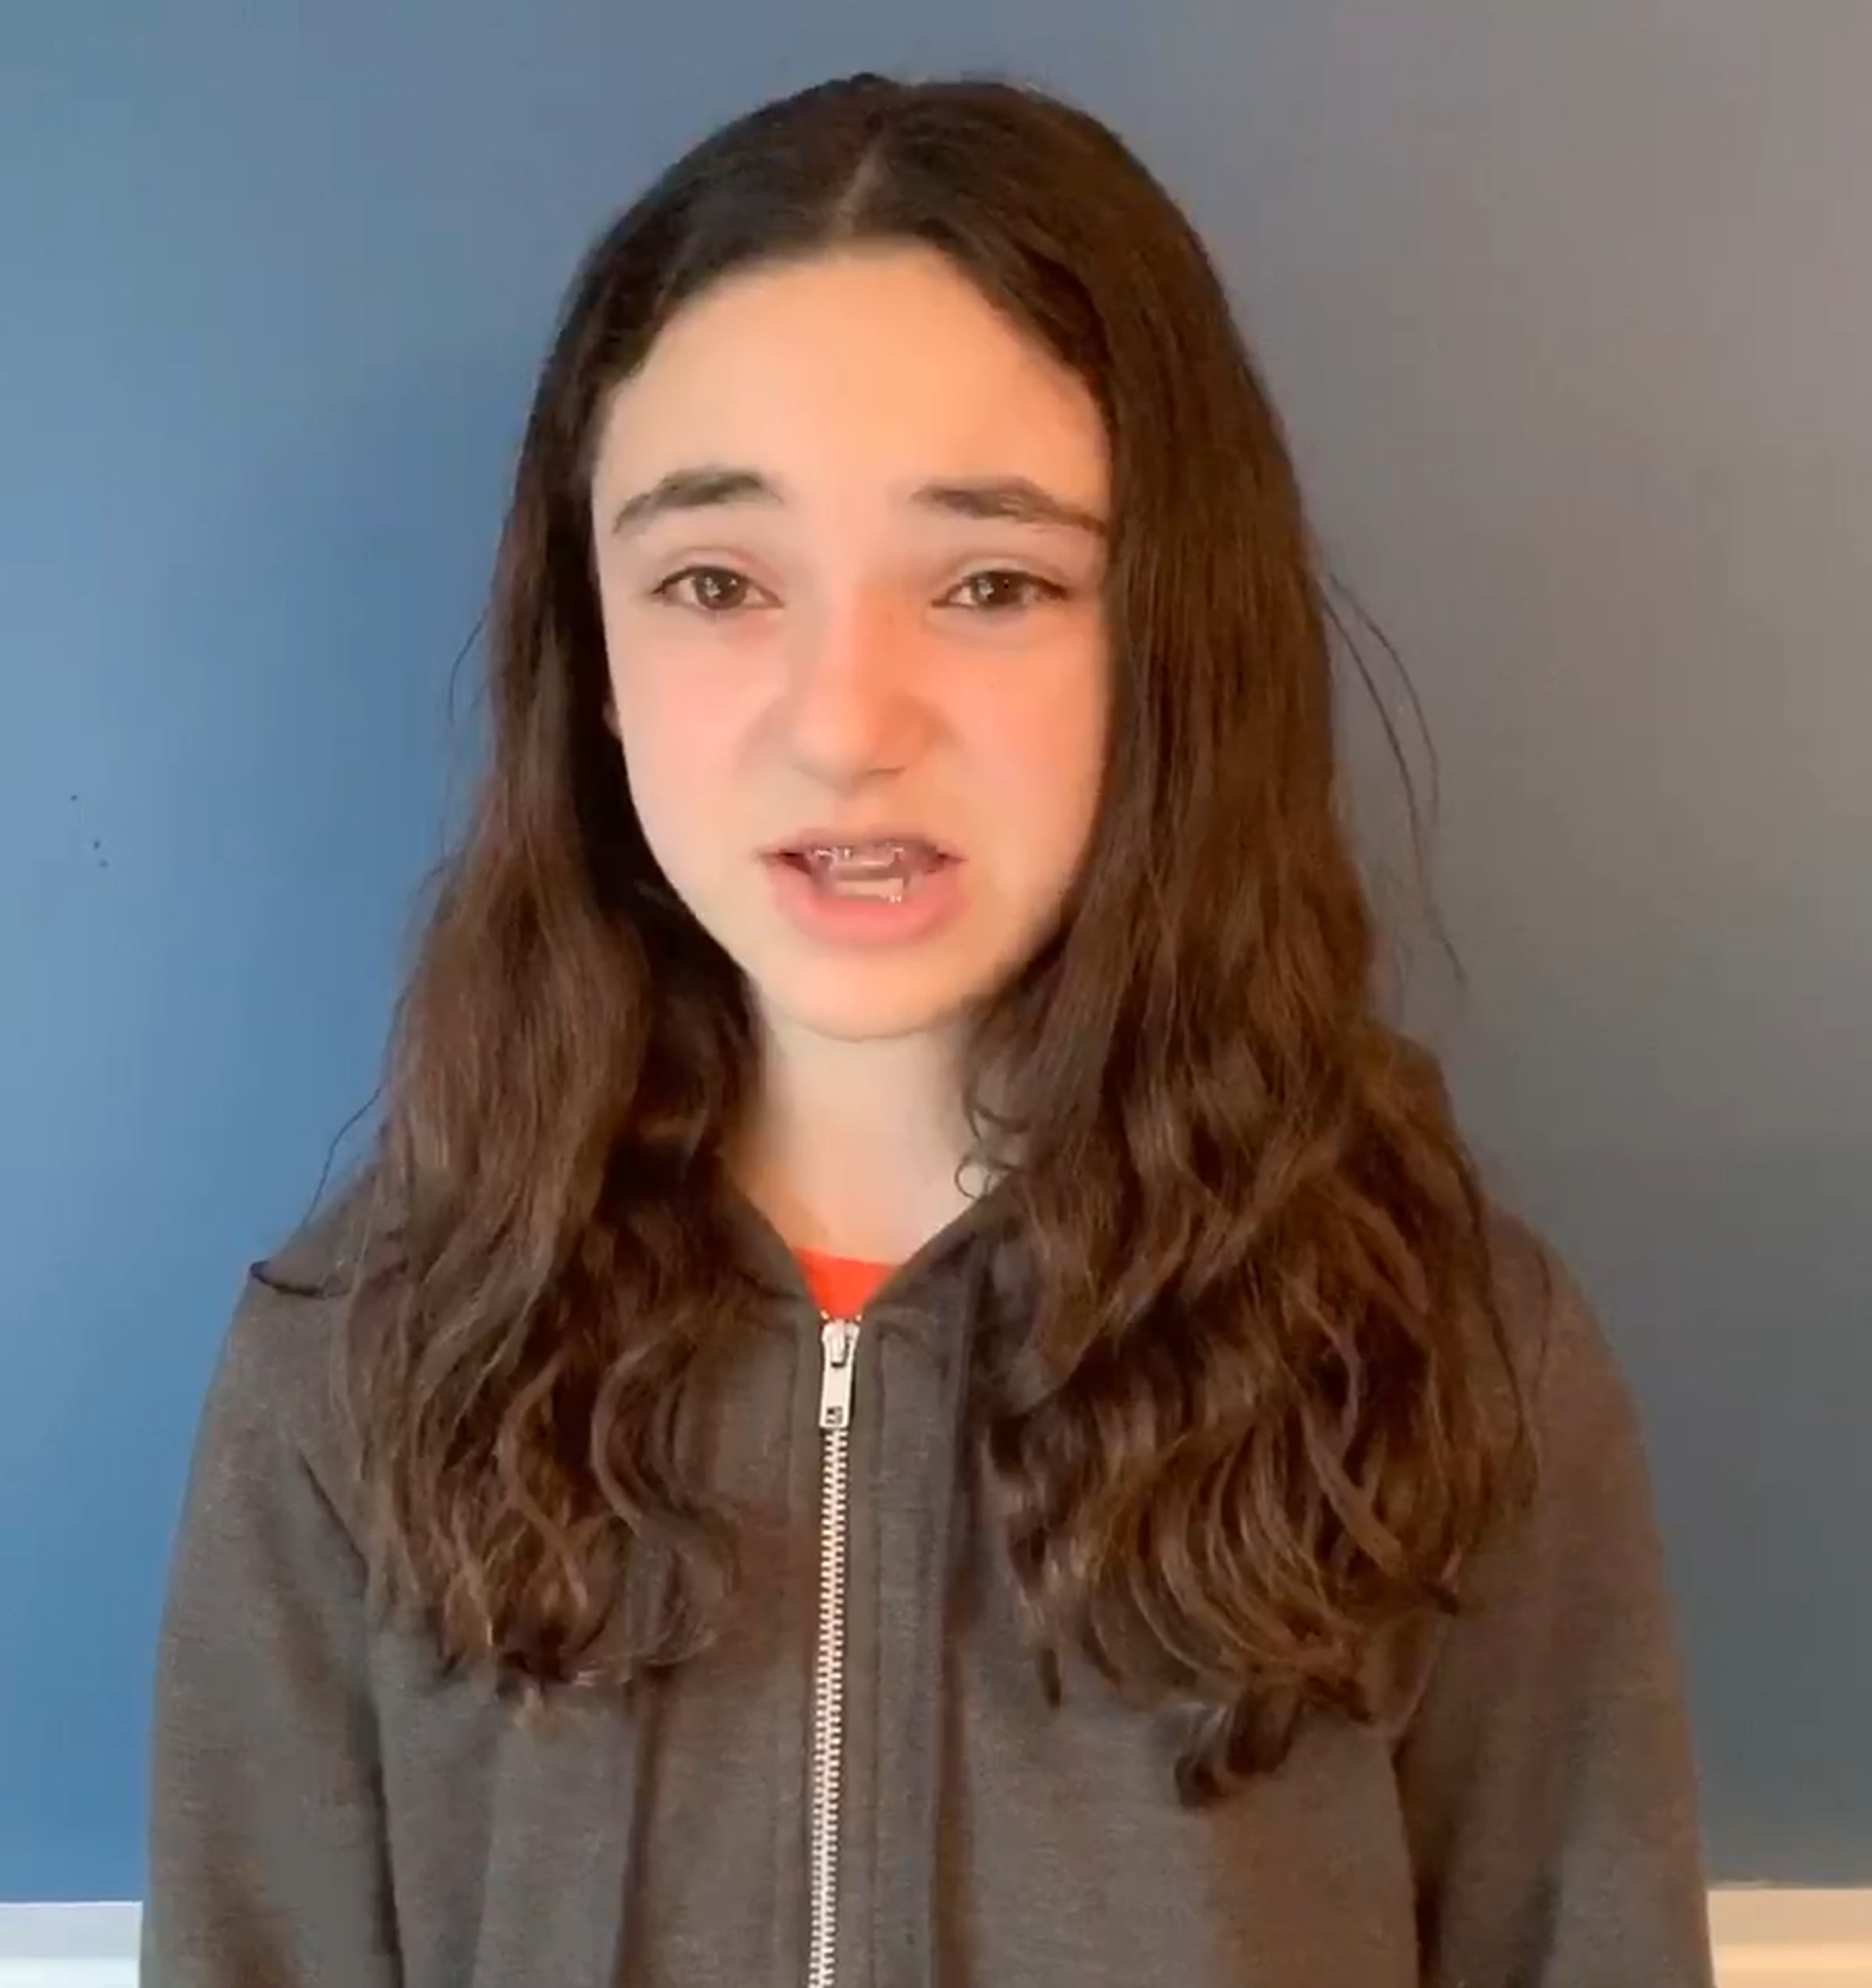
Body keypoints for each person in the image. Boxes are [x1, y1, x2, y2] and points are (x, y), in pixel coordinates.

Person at [143, 71, 1715, 1988]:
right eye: (716, 582)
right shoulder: (352, 1379)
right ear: (597, 654)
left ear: (1166, 635)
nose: (846, 724)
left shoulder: (1452, 1360)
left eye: (992, 582)